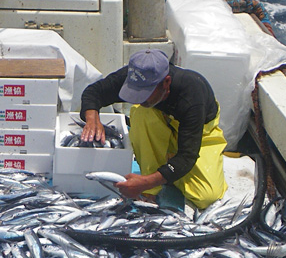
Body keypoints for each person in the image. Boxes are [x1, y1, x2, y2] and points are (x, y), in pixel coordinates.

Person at [80, 49, 227, 209]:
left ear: (166, 82)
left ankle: (160, 174)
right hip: (160, 127)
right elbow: (94, 92)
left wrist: (146, 181)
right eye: (134, 91)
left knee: (207, 196)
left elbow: (187, 156)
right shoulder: (134, 76)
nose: (139, 98)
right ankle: (157, 180)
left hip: (199, 135)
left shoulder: (192, 94)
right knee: (143, 113)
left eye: (145, 93)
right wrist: (92, 118)